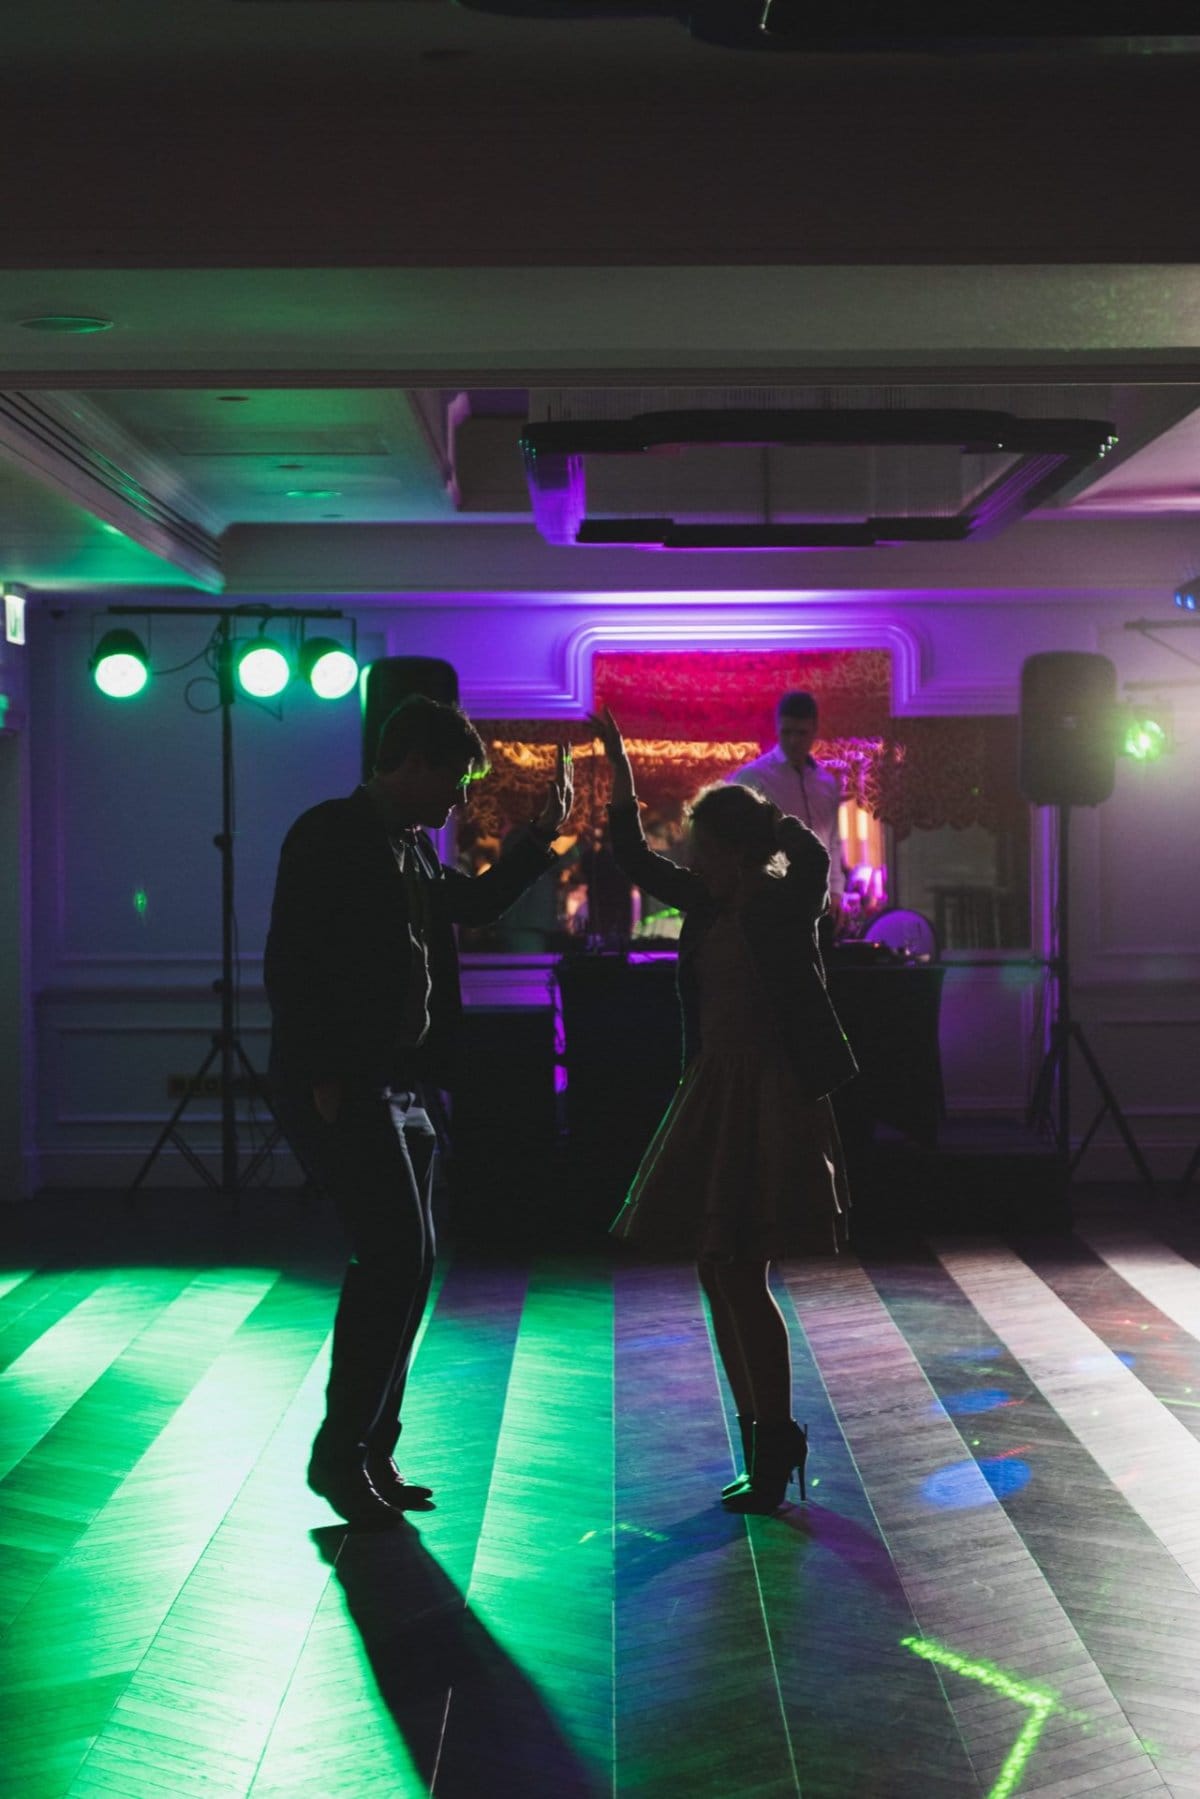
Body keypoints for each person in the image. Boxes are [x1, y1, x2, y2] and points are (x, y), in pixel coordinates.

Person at [265, 696, 573, 1527]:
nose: (456, 801)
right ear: (413, 763)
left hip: (400, 1083)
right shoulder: (329, 833)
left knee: (409, 1259)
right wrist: (328, 1074)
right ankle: (342, 1455)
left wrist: (539, 839)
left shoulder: (407, 848)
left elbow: (471, 907)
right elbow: (293, 958)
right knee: (394, 1255)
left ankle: (368, 1449)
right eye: (453, 780)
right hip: (348, 1082)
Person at [591, 706, 856, 1514]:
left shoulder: (777, 900)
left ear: (738, 851)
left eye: (706, 848)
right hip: (717, 1086)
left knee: (744, 1269)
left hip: (770, 1090)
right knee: (718, 1267)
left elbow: (805, 852)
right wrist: (621, 772)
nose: (693, 861)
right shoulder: (708, 902)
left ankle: (776, 1439)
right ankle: (762, 1442)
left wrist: (760, 808)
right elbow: (635, 854)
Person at [728, 690, 846, 934]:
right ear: (777, 728)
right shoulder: (753, 777)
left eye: (801, 733)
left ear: (814, 730)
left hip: (817, 900)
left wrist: (836, 891)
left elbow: (832, 841)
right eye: (786, 732)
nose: (793, 740)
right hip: (772, 899)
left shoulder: (826, 783)